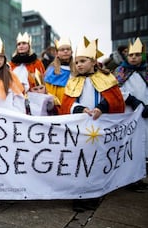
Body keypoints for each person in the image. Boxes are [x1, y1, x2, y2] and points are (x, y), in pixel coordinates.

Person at [59, 37, 125, 212]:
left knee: (96, 161)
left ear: (94, 62)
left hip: (99, 128)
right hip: (79, 130)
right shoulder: (73, 81)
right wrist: (81, 109)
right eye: (77, 62)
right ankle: (78, 195)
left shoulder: (105, 78)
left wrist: (101, 108)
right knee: (79, 162)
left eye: (83, 61)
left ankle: (93, 194)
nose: (79, 65)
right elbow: (67, 104)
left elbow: (115, 100)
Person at [114, 37, 148, 192]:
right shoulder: (120, 71)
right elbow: (116, 90)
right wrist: (133, 100)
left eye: (137, 55)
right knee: (132, 144)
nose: (134, 57)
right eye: (131, 55)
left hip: (146, 113)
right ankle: (131, 179)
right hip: (130, 113)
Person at [44, 37, 76, 114]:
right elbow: (48, 92)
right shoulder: (52, 70)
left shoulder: (77, 69)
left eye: (68, 49)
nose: (65, 51)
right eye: (62, 50)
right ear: (57, 53)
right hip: (57, 110)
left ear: (71, 52)